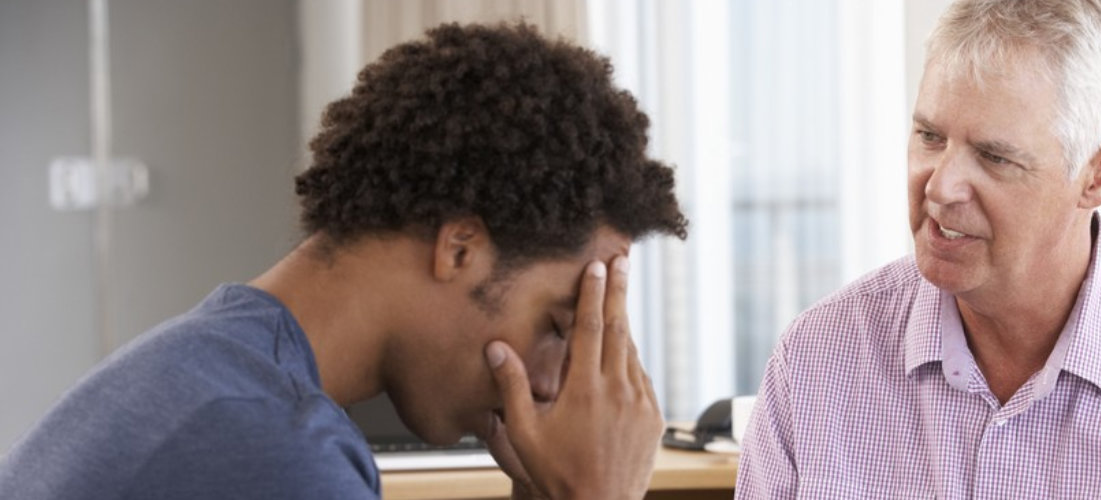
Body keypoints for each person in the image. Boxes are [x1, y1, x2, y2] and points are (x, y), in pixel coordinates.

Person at [0, 22, 686, 500]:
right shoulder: (269, 448)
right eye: (560, 328)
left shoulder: (214, 369)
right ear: (460, 249)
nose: (552, 386)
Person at [736, 0, 1101, 497]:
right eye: (930, 136)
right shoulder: (815, 364)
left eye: (994, 156)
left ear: (1100, 173)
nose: (939, 186)